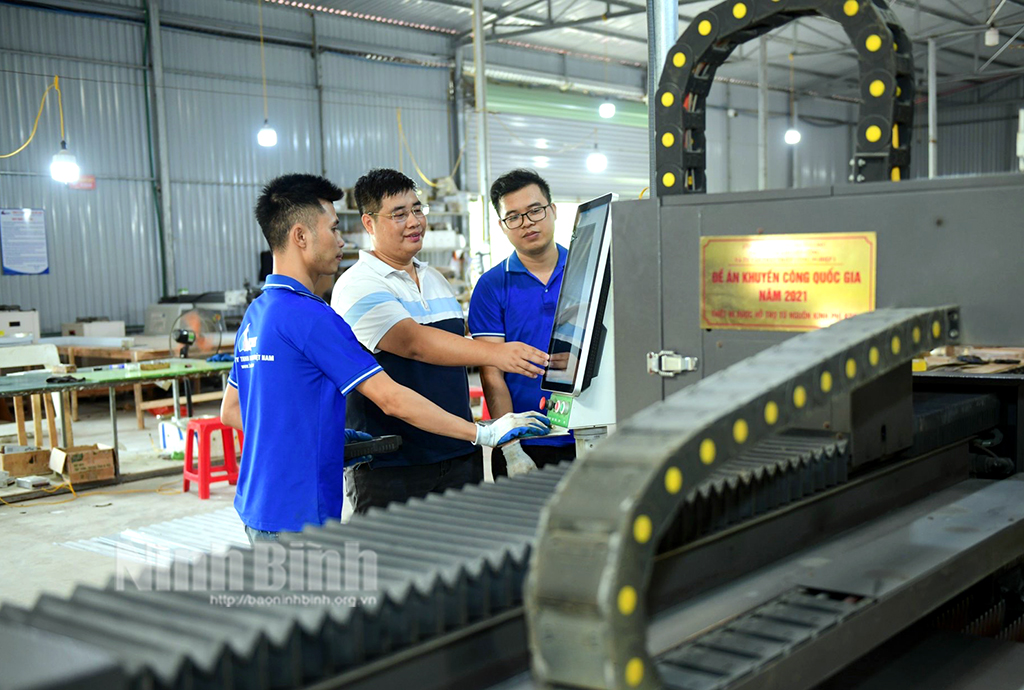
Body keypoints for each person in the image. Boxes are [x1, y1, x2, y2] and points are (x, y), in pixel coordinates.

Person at [220, 173, 549, 544]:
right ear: (300, 236)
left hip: (258, 506)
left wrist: (325, 439)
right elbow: (393, 393)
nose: (341, 241)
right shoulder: (312, 316)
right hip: (304, 511)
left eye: (417, 210)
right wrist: (482, 432)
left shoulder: (258, 313)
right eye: (333, 228)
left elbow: (232, 411)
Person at [331, 169, 550, 512]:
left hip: (459, 455)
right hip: (393, 466)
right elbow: (413, 343)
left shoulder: (435, 279)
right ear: (369, 223)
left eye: (417, 210)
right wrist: (497, 354)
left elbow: (452, 350)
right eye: (399, 214)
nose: (414, 221)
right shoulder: (356, 285)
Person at [468, 169, 577, 477]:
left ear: (552, 210)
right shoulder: (491, 286)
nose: (527, 222)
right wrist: (511, 448)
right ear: (502, 226)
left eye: (535, 210)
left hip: (588, 432)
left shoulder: (588, 273)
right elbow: (492, 374)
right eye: (513, 217)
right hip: (525, 441)